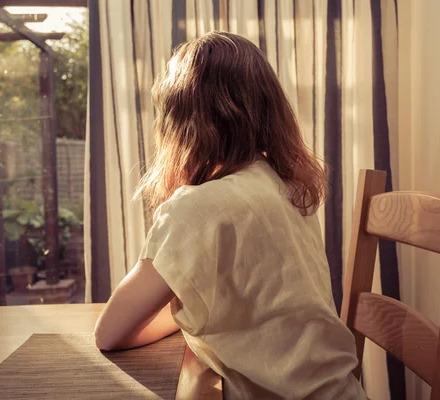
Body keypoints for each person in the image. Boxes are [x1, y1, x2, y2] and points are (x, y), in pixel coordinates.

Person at [94, 31, 366, 400]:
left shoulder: (194, 208)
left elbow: (109, 333)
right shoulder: (283, 185)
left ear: (180, 122)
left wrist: (181, 317)